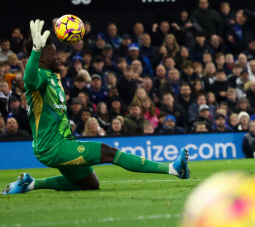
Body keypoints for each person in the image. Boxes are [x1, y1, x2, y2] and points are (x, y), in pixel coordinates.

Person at [2, 20, 190, 195]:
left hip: (63, 143)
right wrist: (35, 50)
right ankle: (173, 168)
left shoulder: (53, 76)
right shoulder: (40, 76)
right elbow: (28, 79)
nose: (58, 55)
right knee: (109, 152)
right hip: (52, 147)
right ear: (42, 58)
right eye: (53, 52)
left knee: (90, 184)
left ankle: (31, 183)